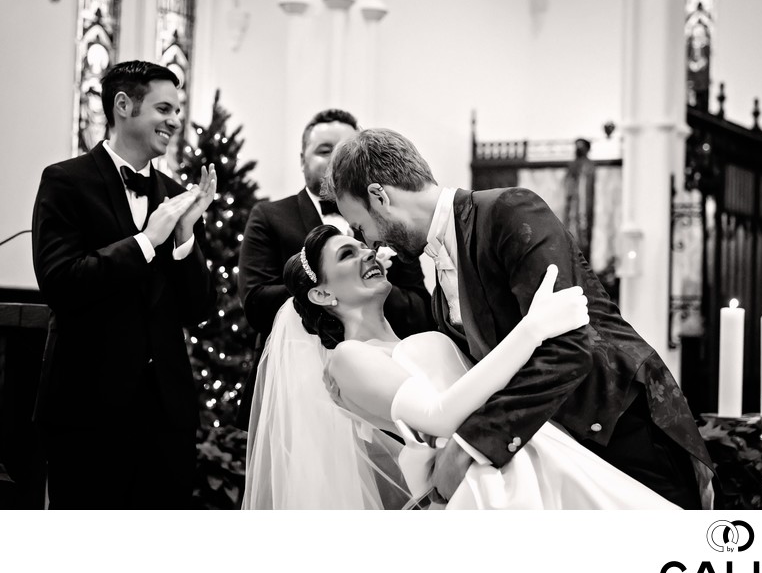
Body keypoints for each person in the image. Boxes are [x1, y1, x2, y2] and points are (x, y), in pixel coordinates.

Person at [324, 128, 716, 509]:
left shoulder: (508, 211)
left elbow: (569, 347)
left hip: (624, 431)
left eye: (361, 226)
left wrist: (469, 445)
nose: (371, 241)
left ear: (379, 197)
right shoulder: (441, 276)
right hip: (559, 454)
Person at [243, 225, 678, 509]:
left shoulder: (410, 338)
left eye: (364, 245)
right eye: (346, 255)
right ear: (322, 295)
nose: (367, 254)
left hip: (517, 451)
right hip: (481, 488)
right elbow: (438, 418)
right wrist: (530, 332)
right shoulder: (347, 358)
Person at [31, 60, 217, 509]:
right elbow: (60, 283)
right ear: (123, 105)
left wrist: (185, 235)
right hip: (88, 409)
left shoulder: (176, 195)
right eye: (164, 108)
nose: (175, 121)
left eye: (178, 109)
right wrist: (147, 241)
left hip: (165, 416)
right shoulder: (65, 181)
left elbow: (198, 309)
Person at [235, 109, 432, 430]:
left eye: (344, 151)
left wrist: (373, 284)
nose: (333, 160)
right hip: (293, 389)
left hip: (381, 382)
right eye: (324, 150)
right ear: (302, 159)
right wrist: (327, 283)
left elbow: (421, 310)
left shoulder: (387, 218)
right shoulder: (270, 216)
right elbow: (256, 304)